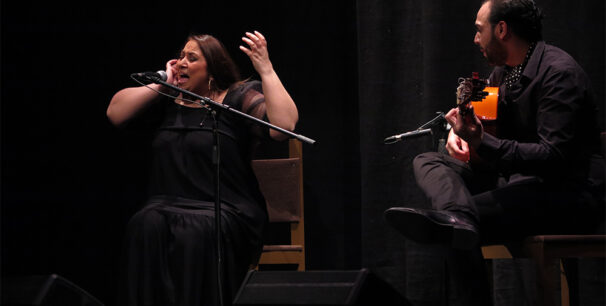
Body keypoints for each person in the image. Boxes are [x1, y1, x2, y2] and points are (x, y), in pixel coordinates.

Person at [385, 0, 603, 303]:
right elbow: (472, 116)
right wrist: (454, 136)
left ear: (501, 30)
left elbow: (553, 157)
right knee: (428, 159)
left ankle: (458, 219)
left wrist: (481, 142)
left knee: (452, 233)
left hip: (566, 194)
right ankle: (458, 216)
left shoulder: (558, 72)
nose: (475, 39)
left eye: (479, 30)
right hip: (517, 183)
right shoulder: (501, 73)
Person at [107, 31, 298, 306]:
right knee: (143, 224)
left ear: (212, 69)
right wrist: (163, 85)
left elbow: (284, 127)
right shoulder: (166, 102)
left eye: (192, 58)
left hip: (224, 209)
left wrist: (265, 68)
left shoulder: (236, 98)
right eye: (181, 56)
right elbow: (115, 113)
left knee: (192, 233)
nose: (181, 62)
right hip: (165, 205)